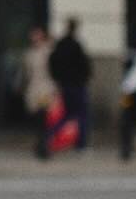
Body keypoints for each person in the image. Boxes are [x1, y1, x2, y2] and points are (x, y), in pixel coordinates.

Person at [49, 17, 93, 151]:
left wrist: (58, 79)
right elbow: (84, 65)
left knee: (66, 114)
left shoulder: (60, 45)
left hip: (65, 84)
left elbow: (53, 63)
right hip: (77, 84)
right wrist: (85, 77)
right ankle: (81, 143)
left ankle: (51, 137)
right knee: (81, 115)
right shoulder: (76, 45)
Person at [21, 25, 58, 160]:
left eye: (37, 35)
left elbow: (54, 70)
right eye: (33, 35)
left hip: (45, 89)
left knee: (44, 118)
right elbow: (27, 73)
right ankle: (41, 145)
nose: (34, 38)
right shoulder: (29, 54)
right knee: (38, 119)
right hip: (34, 90)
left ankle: (44, 147)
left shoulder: (48, 51)